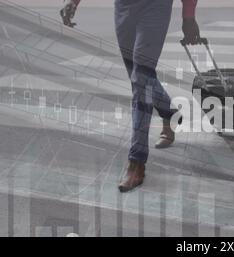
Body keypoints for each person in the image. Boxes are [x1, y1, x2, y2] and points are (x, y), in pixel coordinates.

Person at [61, 0, 201, 192]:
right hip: (124, 8)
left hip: (156, 7)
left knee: (141, 78)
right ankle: (168, 112)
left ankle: (136, 161)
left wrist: (189, 14)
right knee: (139, 78)